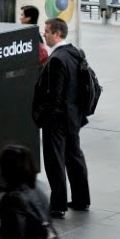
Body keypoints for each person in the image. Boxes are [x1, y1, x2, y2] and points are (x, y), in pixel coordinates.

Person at [32, 19, 90, 219]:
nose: (44, 35)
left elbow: (54, 95)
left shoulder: (57, 59)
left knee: (55, 161)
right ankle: (82, 199)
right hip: (74, 116)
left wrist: (43, 115)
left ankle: (58, 205)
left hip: (57, 120)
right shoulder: (75, 53)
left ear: (57, 33)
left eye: (47, 31)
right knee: (74, 157)